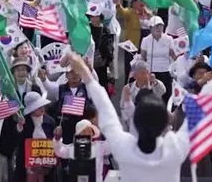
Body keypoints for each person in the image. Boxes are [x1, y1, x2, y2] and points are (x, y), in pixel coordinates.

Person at [65, 52, 194, 182]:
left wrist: (83, 71)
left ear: (135, 122)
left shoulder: (124, 147)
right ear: (165, 123)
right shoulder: (175, 148)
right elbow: (197, 113)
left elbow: (105, 108)